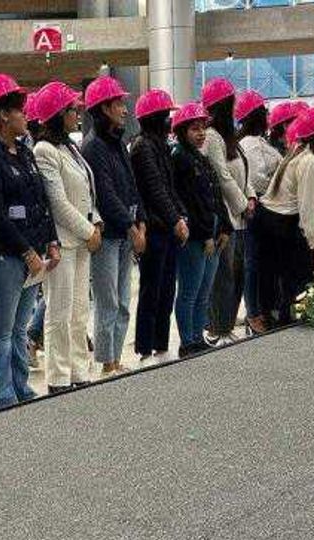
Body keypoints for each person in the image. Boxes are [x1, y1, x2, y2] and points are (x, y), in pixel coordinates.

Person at [0, 74, 59, 410]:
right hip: (2, 257)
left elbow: (40, 201)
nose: (26, 116)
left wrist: (49, 241)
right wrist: (26, 251)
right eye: (20, 111)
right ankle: (2, 395)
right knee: (2, 331)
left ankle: (20, 386)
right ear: (3, 114)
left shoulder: (24, 152)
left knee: (20, 328)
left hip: (32, 254)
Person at [31, 82, 102, 393]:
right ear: (57, 114)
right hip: (63, 241)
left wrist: (96, 224)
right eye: (72, 109)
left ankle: (78, 370)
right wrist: (89, 232)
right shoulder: (44, 150)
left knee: (78, 312)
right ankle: (58, 377)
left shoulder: (71, 148)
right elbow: (57, 203)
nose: (78, 113)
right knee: (58, 313)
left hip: (83, 240)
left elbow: (87, 192)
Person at [81, 75, 145, 375]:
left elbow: (132, 187)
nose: (124, 108)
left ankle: (116, 358)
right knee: (108, 303)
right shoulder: (93, 147)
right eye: (119, 103)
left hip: (125, 234)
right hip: (108, 238)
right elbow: (105, 196)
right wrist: (132, 226)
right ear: (104, 108)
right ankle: (107, 361)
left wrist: (140, 221)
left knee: (122, 302)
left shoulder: (118, 143)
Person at [253, 107, 314, 325]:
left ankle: (273, 319)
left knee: (271, 275)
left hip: (267, 217)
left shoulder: (296, 152)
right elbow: (308, 208)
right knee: (295, 276)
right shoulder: (311, 161)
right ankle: (287, 320)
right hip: (282, 222)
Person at [130, 89, 188, 361]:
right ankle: (144, 347)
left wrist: (181, 216)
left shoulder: (161, 145)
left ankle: (161, 344)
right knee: (151, 289)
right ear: (154, 118)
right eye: (166, 115)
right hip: (153, 229)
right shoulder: (142, 147)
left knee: (166, 289)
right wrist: (175, 218)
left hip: (168, 228)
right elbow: (154, 189)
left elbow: (171, 187)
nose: (170, 120)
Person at [171, 102, 232, 357]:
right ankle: (188, 341)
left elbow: (215, 197)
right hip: (197, 236)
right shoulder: (180, 159)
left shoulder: (201, 158)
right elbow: (189, 202)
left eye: (203, 128)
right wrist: (205, 233)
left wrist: (225, 227)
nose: (201, 133)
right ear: (182, 131)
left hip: (213, 232)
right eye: (195, 129)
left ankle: (197, 336)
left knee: (204, 291)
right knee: (189, 290)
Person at [201, 79, 253, 341]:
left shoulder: (229, 137)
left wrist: (251, 197)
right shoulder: (211, 137)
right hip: (224, 217)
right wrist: (244, 205)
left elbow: (243, 170)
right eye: (231, 103)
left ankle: (226, 325)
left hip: (239, 216)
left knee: (235, 275)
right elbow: (222, 177)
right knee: (222, 276)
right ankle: (216, 328)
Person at [237, 90, 282, 334]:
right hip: (258, 213)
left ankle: (261, 310)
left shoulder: (261, 143)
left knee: (262, 264)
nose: (268, 116)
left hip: (267, 213)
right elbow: (255, 179)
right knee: (253, 264)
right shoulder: (248, 146)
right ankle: (254, 313)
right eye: (264, 112)